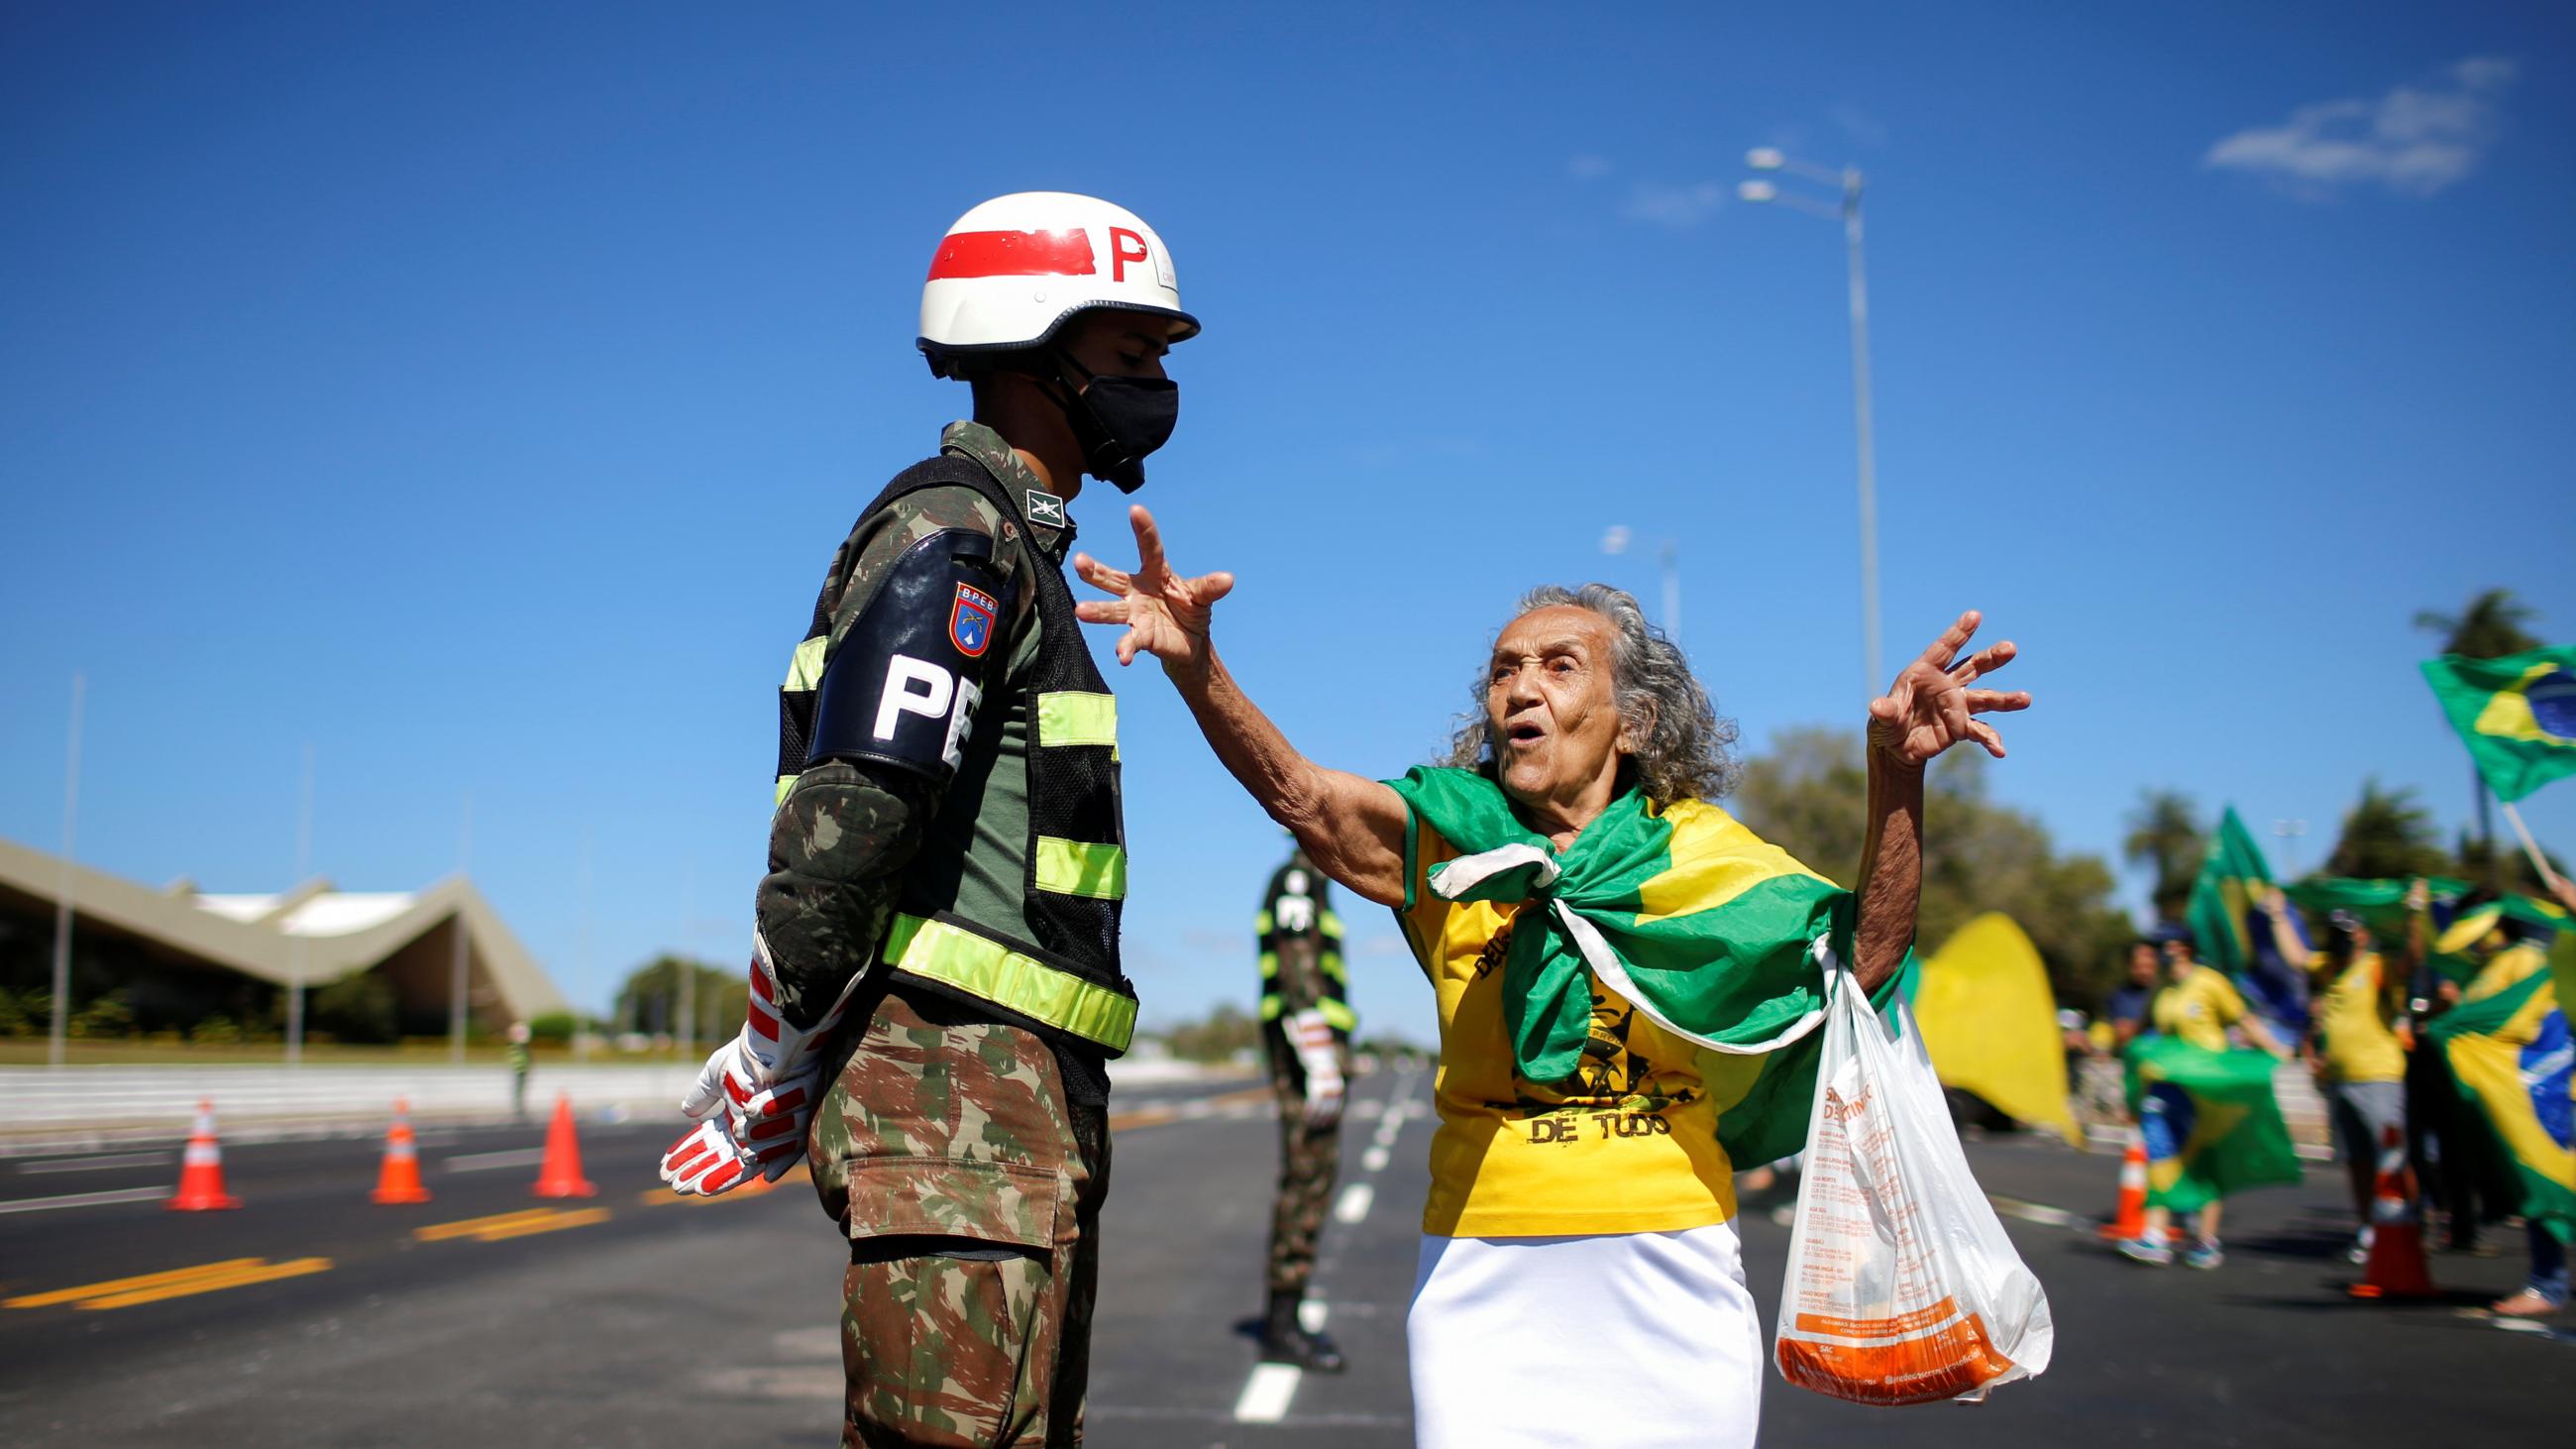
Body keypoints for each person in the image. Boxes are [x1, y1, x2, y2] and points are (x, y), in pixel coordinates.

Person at [1070, 519, 2026, 1449]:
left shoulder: (1702, 855)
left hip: (1673, 1268)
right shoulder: (1451, 834)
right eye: (1503, 669)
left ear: (1636, 720)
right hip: (1482, 1270)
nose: (1520, 688)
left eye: (1560, 666)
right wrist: (1197, 669)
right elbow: (1306, 801)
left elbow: (1860, 967)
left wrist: (1896, 776)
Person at [656, 191, 1199, 1447]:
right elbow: (852, 816)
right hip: (958, 1102)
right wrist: (777, 1037)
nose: (1157, 388)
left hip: (1009, 1110)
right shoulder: (955, 536)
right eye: (1132, 357)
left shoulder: (1014, 547)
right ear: (1034, 354)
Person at [2118, 928, 2292, 1270]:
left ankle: (2206, 1241)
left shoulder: (2210, 982)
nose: (2156, 955)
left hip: (2206, 1085)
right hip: (2167, 1084)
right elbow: (2144, 1024)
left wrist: (2276, 1051)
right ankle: (2155, 1236)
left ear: (2181, 948)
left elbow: (2243, 1019)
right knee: (2159, 1151)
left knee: (2203, 1159)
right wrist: (2131, 1046)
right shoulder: (2163, 988)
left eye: (2162, 948)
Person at [1254, 840, 1354, 1370]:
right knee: (1307, 1178)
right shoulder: (1298, 882)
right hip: (1303, 1054)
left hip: (1306, 1050)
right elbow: (1297, 971)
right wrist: (1319, 1059)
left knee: (1311, 1178)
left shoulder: (1310, 883)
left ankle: (1285, 1316)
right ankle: (1282, 1323)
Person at [2284, 897, 2419, 1263]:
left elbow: (2413, 959)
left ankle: (2405, 1226)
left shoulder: (2379, 966)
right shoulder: (2328, 966)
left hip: (2379, 1078)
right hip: (2340, 1082)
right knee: (2356, 1161)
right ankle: (2369, 1228)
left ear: (2362, 935)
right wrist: (2280, 913)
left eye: (2345, 934)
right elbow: (2296, 955)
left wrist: (2415, 915)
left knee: (2390, 1158)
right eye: (2333, 934)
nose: (2338, 941)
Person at [2105, 942, 2159, 1050]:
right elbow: (2123, 1034)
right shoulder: (2119, 997)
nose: (2144, 972)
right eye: (2139, 966)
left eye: (2149, 966)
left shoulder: (2164, 993)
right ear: (2130, 966)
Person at [505, 1021, 533, 1122]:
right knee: (518, 1089)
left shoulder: (521, 1047)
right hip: (518, 1069)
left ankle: (519, 1105)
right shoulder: (517, 1046)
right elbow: (518, 1058)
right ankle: (518, 1106)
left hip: (522, 1069)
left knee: (520, 1089)